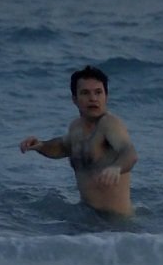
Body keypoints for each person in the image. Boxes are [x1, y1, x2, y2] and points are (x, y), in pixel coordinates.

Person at [19, 65, 138, 216]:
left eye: (98, 92)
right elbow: (62, 147)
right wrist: (40, 145)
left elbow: (130, 153)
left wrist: (116, 167)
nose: (93, 98)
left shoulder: (110, 124)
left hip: (115, 223)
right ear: (74, 99)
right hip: (87, 217)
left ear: (106, 96)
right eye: (85, 93)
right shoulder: (76, 127)